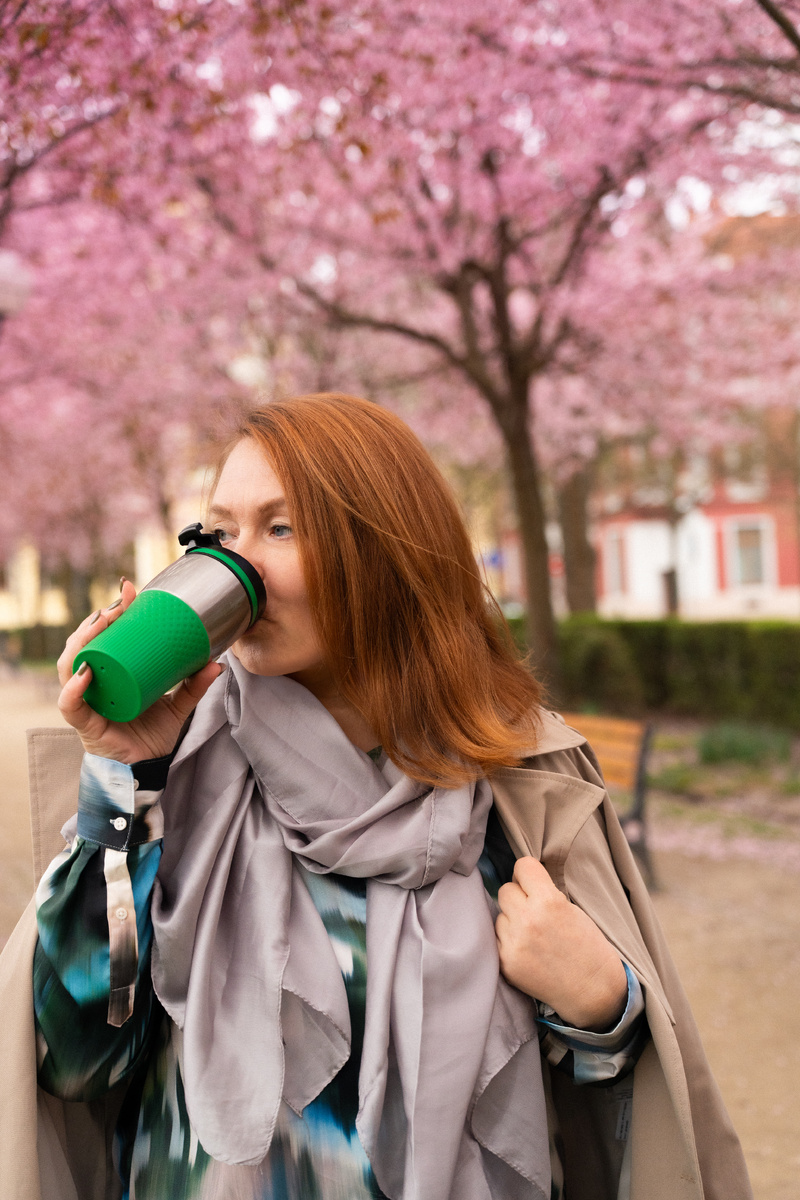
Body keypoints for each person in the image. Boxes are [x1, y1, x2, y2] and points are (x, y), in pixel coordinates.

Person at [1, 394, 751, 1200]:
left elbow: (610, 1107)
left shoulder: (518, 786)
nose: (237, 565)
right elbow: (76, 1060)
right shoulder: (169, 781)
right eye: (219, 533)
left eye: (280, 528)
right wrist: (122, 779)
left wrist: (605, 1001)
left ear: (383, 551)